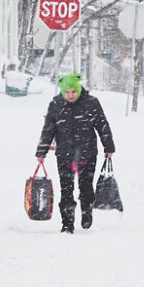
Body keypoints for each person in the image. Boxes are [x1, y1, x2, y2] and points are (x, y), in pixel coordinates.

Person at [35, 73, 115, 233]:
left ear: (79, 90)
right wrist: (41, 151)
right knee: (66, 190)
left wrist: (109, 146)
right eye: (67, 92)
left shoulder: (91, 103)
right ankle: (67, 223)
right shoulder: (56, 105)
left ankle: (87, 212)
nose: (71, 95)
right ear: (63, 92)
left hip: (87, 153)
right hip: (64, 155)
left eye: (74, 91)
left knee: (86, 187)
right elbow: (48, 130)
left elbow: (102, 125)